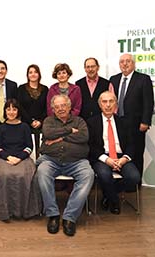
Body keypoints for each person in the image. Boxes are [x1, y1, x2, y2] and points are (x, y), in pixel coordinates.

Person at [36, 94, 94, 237]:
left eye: (63, 105)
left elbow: (83, 137)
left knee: (88, 174)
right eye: (57, 107)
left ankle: (70, 217)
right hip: (51, 160)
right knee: (42, 171)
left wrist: (59, 138)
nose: (61, 109)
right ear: (53, 109)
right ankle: (53, 214)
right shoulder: (49, 121)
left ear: (69, 107)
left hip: (77, 161)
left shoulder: (79, 121)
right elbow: (48, 133)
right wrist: (69, 131)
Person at [87, 91, 140, 214]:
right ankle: (114, 201)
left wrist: (124, 159)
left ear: (116, 104)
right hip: (102, 157)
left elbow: (132, 144)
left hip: (122, 157)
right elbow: (90, 146)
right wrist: (107, 160)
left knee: (134, 177)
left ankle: (108, 194)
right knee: (105, 175)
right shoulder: (91, 122)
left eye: (111, 101)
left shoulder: (124, 122)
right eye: (104, 102)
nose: (108, 105)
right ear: (100, 104)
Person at [0, 99, 41, 222]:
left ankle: (25, 211)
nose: (11, 112)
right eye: (8, 109)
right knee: (4, 175)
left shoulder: (25, 127)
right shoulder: (1, 128)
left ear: (18, 111)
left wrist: (19, 158)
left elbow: (29, 147)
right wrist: (9, 157)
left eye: (14, 109)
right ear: (5, 111)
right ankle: (5, 212)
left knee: (24, 175)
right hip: (5, 159)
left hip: (23, 158)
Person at [110, 53, 154, 180]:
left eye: (128, 61)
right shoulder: (114, 79)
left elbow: (148, 102)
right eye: (122, 61)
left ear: (133, 63)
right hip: (117, 123)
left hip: (136, 124)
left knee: (137, 152)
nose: (124, 64)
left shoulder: (143, 79)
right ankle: (119, 183)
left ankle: (135, 183)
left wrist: (145, 122)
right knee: (119, 151)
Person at [17, 64, 48, 154]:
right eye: (30, 72)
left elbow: (47, 107)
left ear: (39, 74)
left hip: (42, 124)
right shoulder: (21, 88)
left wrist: (40, 121)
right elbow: (20, 107)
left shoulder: (45, 89)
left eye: (35, 72)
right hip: (25, 123)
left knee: (42, 148)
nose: (33, 74)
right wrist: (30, 121)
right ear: (27, 75)